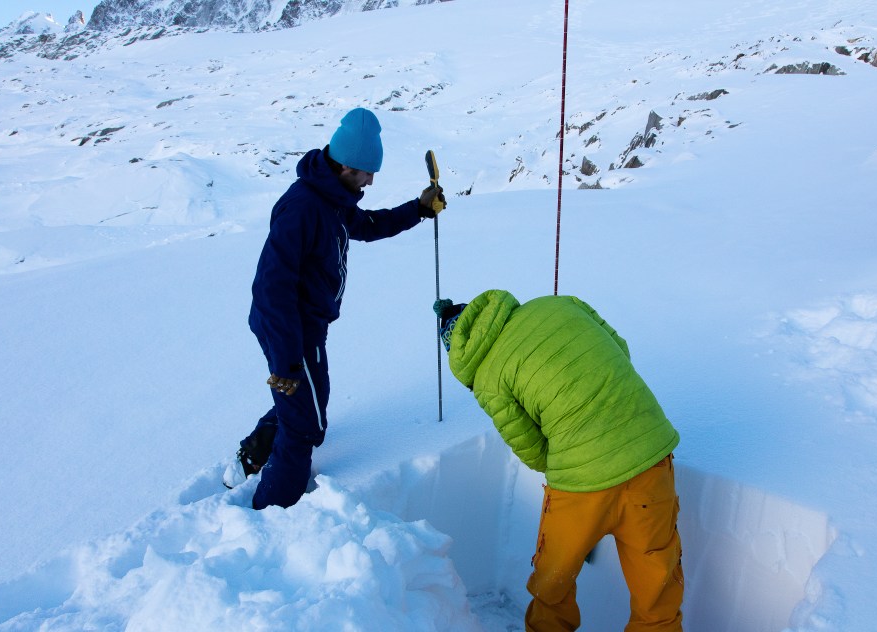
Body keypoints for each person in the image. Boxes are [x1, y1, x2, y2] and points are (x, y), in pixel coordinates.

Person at [223, 107, 446, 510]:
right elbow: (272, 289)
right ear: (345, 166)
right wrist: (286, 362)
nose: (371, 181)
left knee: (311, 404)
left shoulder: (334, 199)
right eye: (366, 173)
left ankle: (253, 453)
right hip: (289, 330)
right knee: (305, 426)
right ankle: (269, 513)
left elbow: (368, 226)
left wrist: (417, 208)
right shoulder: (303, 208)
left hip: (307, 327)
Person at [434, 289, 683, 632]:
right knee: (657, 590)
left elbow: (531, 447)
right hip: (650, 450)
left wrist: (574, 457)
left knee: (553, 586)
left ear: (458, 352)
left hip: (581, 484)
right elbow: (620, 350)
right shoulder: (558, 303)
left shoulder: (487, 377)